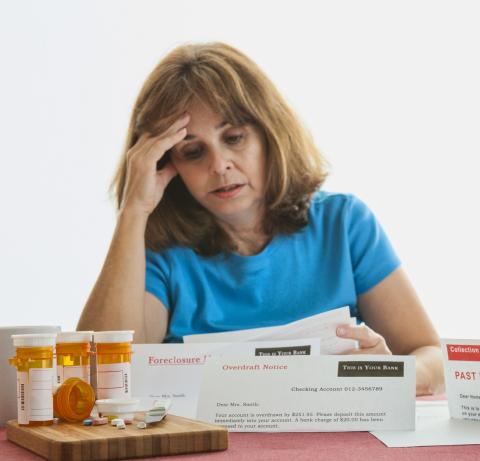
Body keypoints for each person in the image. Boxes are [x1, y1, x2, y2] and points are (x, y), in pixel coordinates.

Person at [77, 42, 444, 396]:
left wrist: (393, 373)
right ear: (165, 166)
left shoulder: (344, 223)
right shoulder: (161, 252)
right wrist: (133, 211)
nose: (219, 165)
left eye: (234, 138)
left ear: (271, 135)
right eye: (193, 151)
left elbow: (430, 355)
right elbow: (98, 376)